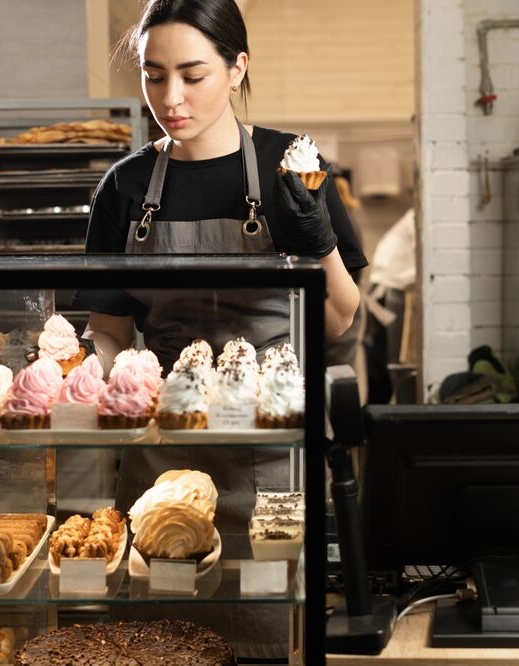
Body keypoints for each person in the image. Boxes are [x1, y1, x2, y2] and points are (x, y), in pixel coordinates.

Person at [72, 0, 367, 658]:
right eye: (153, 76)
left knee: (266, 637)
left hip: (269, 462)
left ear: (237, 68)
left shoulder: (292, 167)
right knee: (157, 641)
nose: (169, 98)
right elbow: (110, 326)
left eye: (192, 74)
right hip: (160, 461)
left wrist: (319, 240)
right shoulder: (124, 188)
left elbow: (340, 320)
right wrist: (122, 375)